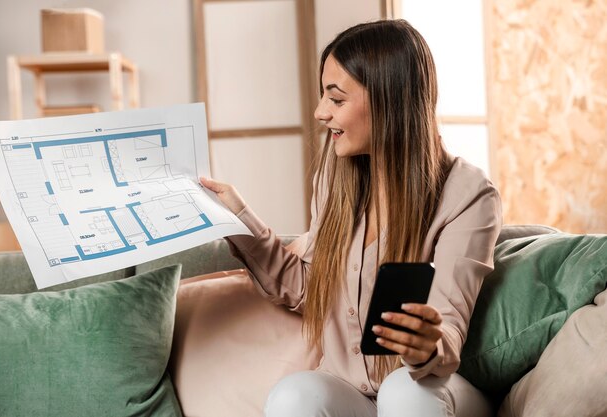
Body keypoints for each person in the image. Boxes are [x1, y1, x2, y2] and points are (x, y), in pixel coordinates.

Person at [200, 19, 502, 417]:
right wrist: (237, 219)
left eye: (337, 100)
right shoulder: (335, 178)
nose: (320, 113)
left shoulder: (468, 194)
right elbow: (310, 288)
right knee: (293, 396)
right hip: (351, 390)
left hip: (429, 388)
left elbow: (449, 328)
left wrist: (426, 344)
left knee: (403, 393)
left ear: (390, 100)